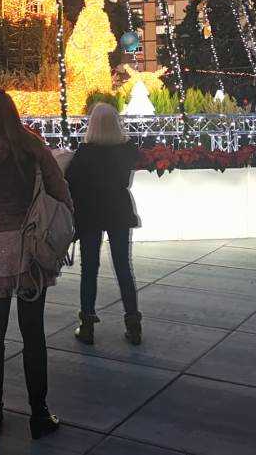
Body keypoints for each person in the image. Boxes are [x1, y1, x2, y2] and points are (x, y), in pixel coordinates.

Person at [0, 89, 71, 441]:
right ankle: (38, 413)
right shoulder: (30, 145)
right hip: (29, 248)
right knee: (33, 334)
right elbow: (58, 187)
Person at [64, 103, 142, 345]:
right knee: (122, 265)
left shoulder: (85, 153)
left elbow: (71, 182)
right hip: (118, 208)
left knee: (89, 267)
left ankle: (87, 324)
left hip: (90, 211)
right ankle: (133, 322)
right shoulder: (127, 150)